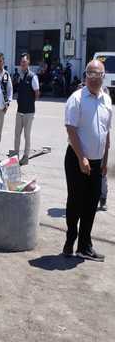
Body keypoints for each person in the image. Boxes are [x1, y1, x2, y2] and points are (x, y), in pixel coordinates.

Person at [63, 59, 112, 261]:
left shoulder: (106, 99)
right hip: (76, 159)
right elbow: (71, 130)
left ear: (103, 76)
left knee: (91, 204)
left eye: (97, 74)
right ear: (85, 76)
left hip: (96, 160)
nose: (93, 78)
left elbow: (106, 131)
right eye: (90, 74)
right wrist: (82, 157)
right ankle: (70, 239)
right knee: (75, 202)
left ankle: (85, 245)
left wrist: (105, 159)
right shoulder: (76, 99)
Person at [13, 53, 40, 165]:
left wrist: (30, 102)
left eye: (24, 62)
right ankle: (15, 156)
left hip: (29, 112)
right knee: (17, 134)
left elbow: (37, 92)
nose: (22, 64)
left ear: (28, 62)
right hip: (20, 111)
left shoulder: (33, 76)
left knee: (26, 135)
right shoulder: (20, 76)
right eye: (21, 62)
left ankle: (25, 157)